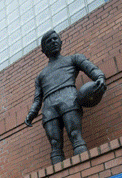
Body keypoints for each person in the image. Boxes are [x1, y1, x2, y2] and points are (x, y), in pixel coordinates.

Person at [25, 30, 106, 164]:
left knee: (75, 136)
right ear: (44, 50)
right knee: (55, 145)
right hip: (49, 107)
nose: (54, 42)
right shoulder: (41, 76)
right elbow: (37, 99)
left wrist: (100, 77)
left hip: (69, 98)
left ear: (61, 42)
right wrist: (32, 114)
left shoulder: (74, 59)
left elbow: (92, 69)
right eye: (49, 41)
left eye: (56, 39)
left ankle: (85, 168)